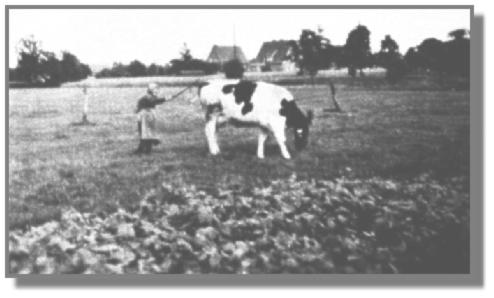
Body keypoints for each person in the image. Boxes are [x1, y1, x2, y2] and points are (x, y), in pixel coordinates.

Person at [134, 83, 167, 155]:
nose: (158, 91)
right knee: (147, 133)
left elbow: (155, 101)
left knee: (146, 133)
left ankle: (144, 149)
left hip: (147, 116)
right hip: (145, 116)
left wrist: (164, 99)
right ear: (151, 90)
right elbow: (153, 101)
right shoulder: (148, 97)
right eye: (156, 89)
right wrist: (165, 98)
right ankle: (145, 150)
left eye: (158, 89)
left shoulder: (150, 96)